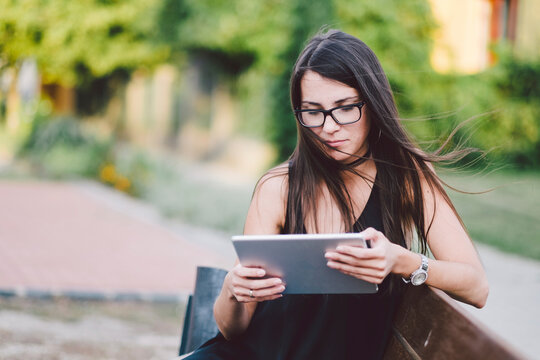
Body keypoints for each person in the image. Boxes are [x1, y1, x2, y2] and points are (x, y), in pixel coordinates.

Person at [185, 29, 489, 360]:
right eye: (313, 111)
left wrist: (402, 260)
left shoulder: (406, 178)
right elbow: (233, 330)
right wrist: (232, 290)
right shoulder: (278, 187)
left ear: (372, 103)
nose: (329, 127)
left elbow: (476, 287)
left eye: (344, 108)